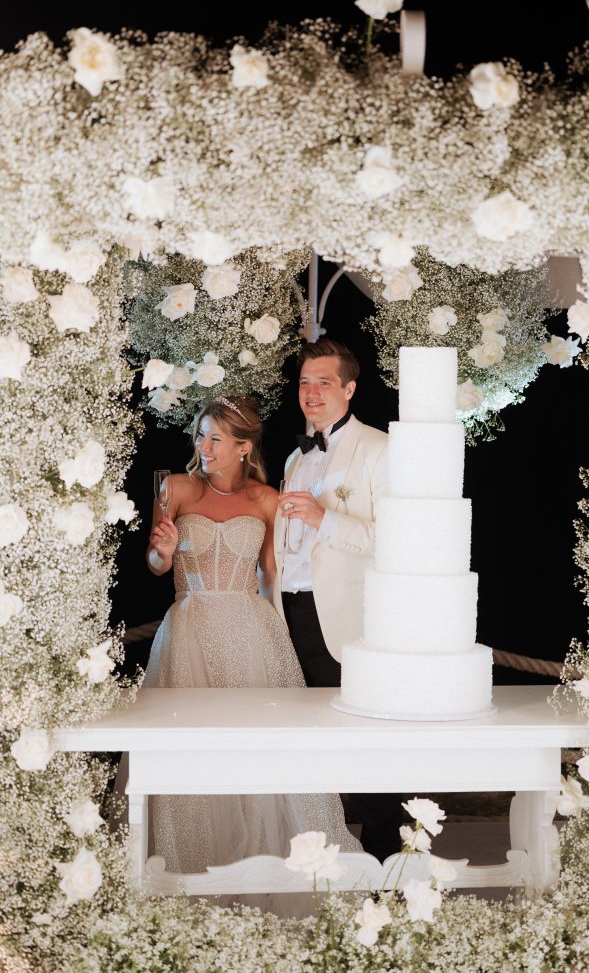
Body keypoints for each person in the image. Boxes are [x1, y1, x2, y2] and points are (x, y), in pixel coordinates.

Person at [143, 396, 360, 877]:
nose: (204, 446)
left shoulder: (265, 499)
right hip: (190, 629)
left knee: (259, 745)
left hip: (251, 629)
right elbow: (155, 565)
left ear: (244, 448)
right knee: (194, 745)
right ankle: (193, 861)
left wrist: (277, 636)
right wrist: (165, 552)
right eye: (200, 435)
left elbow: (270, 572)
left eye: (215, 438)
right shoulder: (176, 488)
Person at [274, 339, 403, 861]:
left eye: (323, 382)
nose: (311, 393)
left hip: (346, 621)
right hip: (290, 613)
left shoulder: (378, 449)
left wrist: (324, 519)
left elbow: (393, 541)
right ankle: (324, 858)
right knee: (311, 742)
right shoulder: (293, 457)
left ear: (349, 388)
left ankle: (384, 864)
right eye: (305, 382)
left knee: (363, 743)